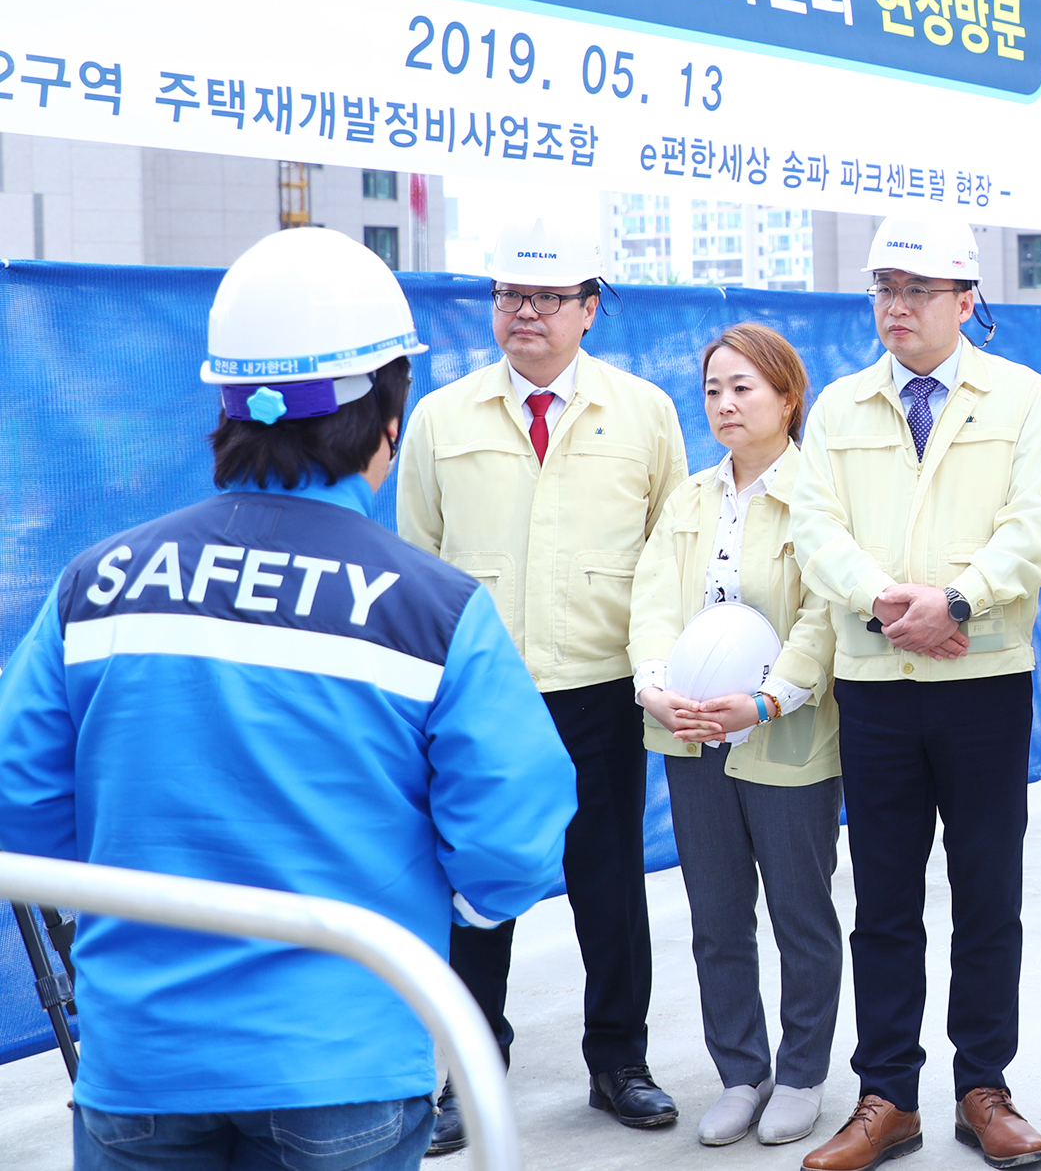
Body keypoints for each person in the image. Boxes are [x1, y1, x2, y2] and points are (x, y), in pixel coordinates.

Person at [0, 227, 576, 1171]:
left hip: (140, 1060)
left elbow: (19, 807)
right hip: (343, 1060)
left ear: (228, 406)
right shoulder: (434, 610)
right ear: (389, 411)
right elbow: (510, 840)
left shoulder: (94, 585)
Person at [397, 214, 689, 1151]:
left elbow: (669, 551)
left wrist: (660, 668)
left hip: (604, 687)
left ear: (589, 310)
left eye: (547, 297)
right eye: (507, 296)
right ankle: (468, 1075)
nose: (523, 313)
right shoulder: (443, 417)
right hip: (483, 699)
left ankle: (619, 1062)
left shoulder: (643, 411)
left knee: (610, 887)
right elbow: (417, 564)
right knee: (476, 891)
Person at [792, 214, 1041, 1171]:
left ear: (966, 300)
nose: (895, 307)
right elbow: (814, 529)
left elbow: (1032, 535)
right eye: (882, 289)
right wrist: (888, 607)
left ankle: (984, 1086)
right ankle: (886, 1096)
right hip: (875, 683)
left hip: (984, 680)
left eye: (916, 290)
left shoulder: (1022, 398)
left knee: (990, 892)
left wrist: (955, 602)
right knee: (884, 899)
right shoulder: (837, 407)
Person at [628, 323, 844, 1150]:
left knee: (800, 913)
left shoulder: (816, 495)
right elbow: (651, 601)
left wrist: (767, 699)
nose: (724, 403)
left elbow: (825, 613)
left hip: (783, 738)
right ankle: (740, 1073)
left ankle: (801, 1075)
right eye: (714, 389)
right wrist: (654, 686)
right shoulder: (689, 497)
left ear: (789, 397)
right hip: (688, 737)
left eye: (743, 387)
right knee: (717, 915)